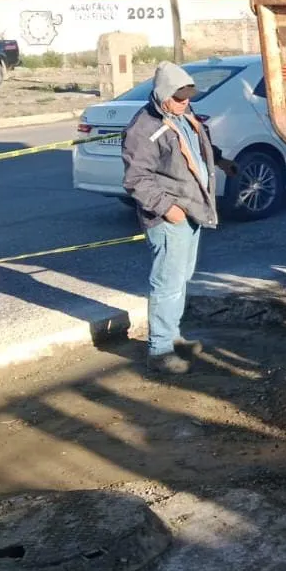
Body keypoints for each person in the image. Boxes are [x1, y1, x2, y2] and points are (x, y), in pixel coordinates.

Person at [122, 62, 236, 376]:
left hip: (192, 209)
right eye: (178, 96)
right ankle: (159, 350)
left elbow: (199, 146)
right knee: (167, 283)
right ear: (162, 95)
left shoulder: (184, 115)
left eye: (187, 95)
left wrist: (222, 161)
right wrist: (167, 208)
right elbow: (136, 179)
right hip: (170, 217)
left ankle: (173, 336)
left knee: (180, 278)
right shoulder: (145, 127)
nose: (185, 100)